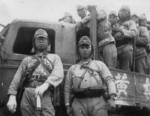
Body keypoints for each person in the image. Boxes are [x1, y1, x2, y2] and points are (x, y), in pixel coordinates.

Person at [7, 29, 64, 116]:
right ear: (34, 43)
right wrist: (12, 96)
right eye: (38, 39)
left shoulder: (54, 58)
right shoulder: (27, 60)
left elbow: (58, 73)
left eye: (43, 39)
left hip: (45, 93)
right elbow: (17, 78)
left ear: (48, 42)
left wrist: (46, 85)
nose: (41, 41)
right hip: (27, 95)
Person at [64, 36, 116, 116]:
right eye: (82, 47)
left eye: (87, 47)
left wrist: (112, 98)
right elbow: (67, 89)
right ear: (78, 49)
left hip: (98, 102)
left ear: (91, 49)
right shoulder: (73, 69)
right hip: (79, 103)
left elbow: (109, 80)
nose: (85, 50)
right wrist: (67, 105)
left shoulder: (99, 65)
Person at [112, 5, 137, 71]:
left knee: (125, 69)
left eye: (125, 11)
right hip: (115, 47)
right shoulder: (115, 23)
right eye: (121, 10)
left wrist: (121, 30)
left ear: (128, 13)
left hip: (126, 46)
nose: (122, 12)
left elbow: (133, 33)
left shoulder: (131, 22)